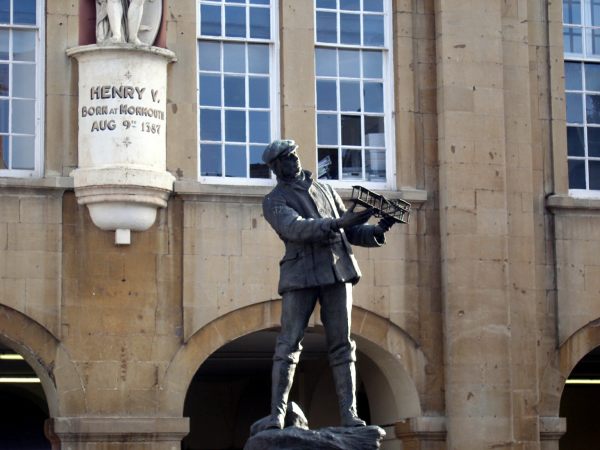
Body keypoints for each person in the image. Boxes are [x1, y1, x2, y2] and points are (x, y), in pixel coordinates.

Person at [258, 139, 395, 431]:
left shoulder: (325, 189)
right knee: (288, 345)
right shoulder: (274, 200)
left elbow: (351, 232)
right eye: (286, 158)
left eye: (294, 154)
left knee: (343, 345)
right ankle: (277, 415)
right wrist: (338, 224)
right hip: (301, 275)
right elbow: (293, 228)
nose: (294, 159)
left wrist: (378, 230)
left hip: (336, 271)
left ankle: (349, 415)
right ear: (275, 167)